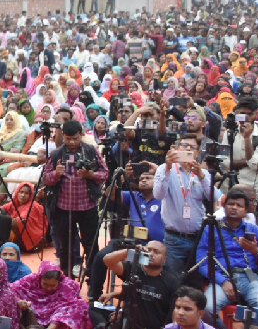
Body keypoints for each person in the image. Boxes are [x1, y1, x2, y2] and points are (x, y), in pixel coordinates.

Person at [198, 187, 258, 329]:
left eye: (239, 205)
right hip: (222, 278)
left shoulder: (256, 231)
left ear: (246, 210)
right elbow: (202, 262)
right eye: (231, 204)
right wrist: (222, 281)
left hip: (250, 277)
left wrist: (256, 252)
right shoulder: (211, 228)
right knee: (206, 309)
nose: (234, 207)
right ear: (224, 206)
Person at [43, 120, 109, 277]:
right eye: (68, 139)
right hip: (63, 208)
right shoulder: (56, 154)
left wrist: (91, 175)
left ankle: (93, 278)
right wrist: (56, 174)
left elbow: (105, 173)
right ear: (63, 136)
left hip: (88, 206)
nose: (72, 142)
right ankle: (66, 279)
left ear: (81, 135)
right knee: (65, 246)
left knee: (91, 245)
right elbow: (46, 178)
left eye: (75, 139)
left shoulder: (91, 150)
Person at [102, 241, 180, 329]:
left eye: (157, 252)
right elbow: (107, 260)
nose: (151, 254)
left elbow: (174, 313)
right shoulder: (133, 270)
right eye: (148, 250)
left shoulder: (172, 282)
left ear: (165, 259)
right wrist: (130, 251)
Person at [88, 168, 164, 300]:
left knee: (140, 264)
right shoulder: (134, 196)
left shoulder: (164, 198)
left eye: (148, 178)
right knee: (100, 257)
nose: (144, 180)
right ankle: (95, 298)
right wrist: (121, 179)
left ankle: (134, 297)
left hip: (151, 246)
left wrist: (159, 171)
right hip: (129, 242)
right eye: (141, 179)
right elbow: (110, 194)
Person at [154, 133, 213, 274]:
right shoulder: (164, 168)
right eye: (184, 145)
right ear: (177, 148)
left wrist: (202, 176)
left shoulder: (203, 173)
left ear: (197, 152)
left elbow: (214, 197)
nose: (188, 149)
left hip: (199, 239)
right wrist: (168, 169)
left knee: (196, 281)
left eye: (192, 147)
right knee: (174, 281)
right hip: (174, 239)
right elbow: (158, 195)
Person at [13, 261, 93, 329]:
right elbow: (11, 289)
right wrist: (19, 301)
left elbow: (72, 303)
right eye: (45, 284)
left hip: (57, 319)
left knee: (80, 306)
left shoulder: (68, 285)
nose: (48, 288)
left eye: (53, 285)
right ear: (40, 278)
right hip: (34, 315)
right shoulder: (30, 280)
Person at [219, 97, 258, 197]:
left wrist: (247, 138)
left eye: (250, 114)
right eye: (243, 114)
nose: (246, 118)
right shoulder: (229, 133)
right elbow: (224, 163)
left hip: (252, 188)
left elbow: (256, 165)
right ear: (237, 113)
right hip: (230, 187)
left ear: (256, 114)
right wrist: (247, 162)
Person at [1, 182, 47, 254]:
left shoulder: (33, 206)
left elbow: (21, 220)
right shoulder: (15, 203)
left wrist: (5, 221)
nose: (23, 195)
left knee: (14, 224)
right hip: (22, 238)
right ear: (17, 192)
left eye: (26, 193)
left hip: (35, 242)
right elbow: (1, 209)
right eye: (21, 192)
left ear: (31, 195)